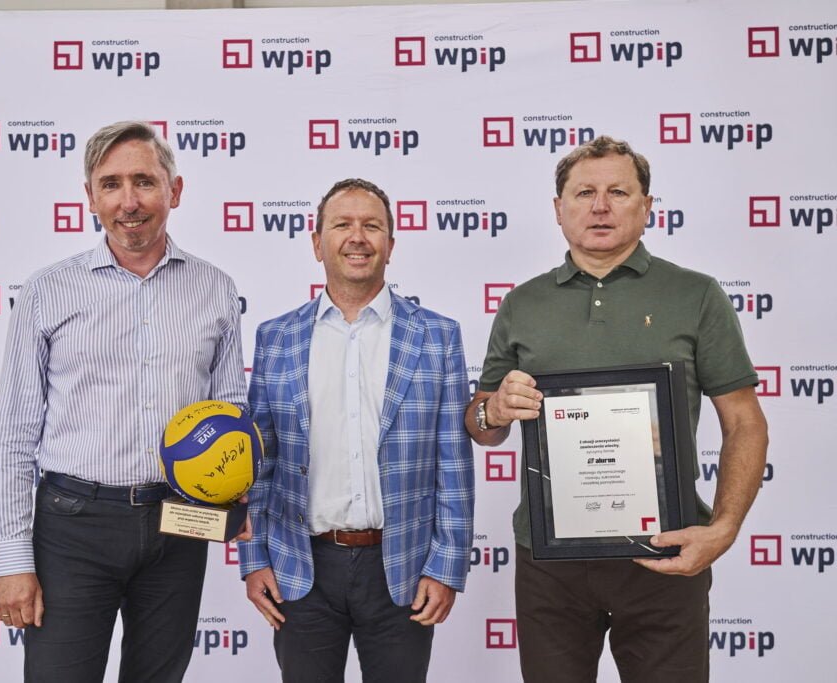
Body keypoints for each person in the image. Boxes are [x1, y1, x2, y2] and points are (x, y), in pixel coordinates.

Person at [465, 135, 768, 682]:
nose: (600, 206)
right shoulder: (521, 304)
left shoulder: (697, 295)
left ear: (647, 206)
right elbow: (482, 426)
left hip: (667, 553)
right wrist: (495, 411)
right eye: (584, 193)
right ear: (558, 209)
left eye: (618, 192)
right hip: (549, 560)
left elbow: (744, 422)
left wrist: (723, 528)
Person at [0, 120, 247, 682]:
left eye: (144, 182)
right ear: (90, 197)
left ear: (175, 191)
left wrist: (231, 503)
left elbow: (230, 414)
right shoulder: (48, 291)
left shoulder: (215, 289)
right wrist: (12, 560)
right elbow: (13, 434)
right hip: (73, 527)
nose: (129, 202)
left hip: (178, 526)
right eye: (111, 184)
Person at [237, 178, 475, 683]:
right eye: (342, 224)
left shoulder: (438, 336)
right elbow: (260, 462)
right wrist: (253, 558)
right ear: (316, 241)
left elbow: (453, 462)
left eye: (372, 226)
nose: (357, 237)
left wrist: (447, 566)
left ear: (391, 242)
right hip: (300, 568)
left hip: (403, 568)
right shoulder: (276, 337)